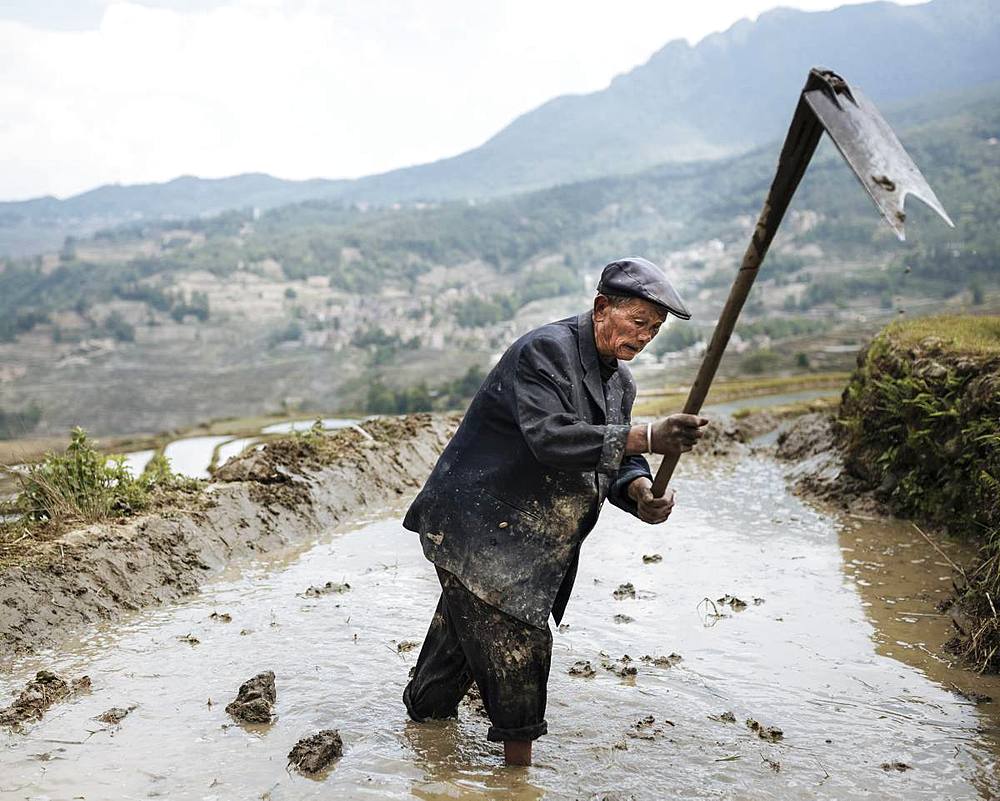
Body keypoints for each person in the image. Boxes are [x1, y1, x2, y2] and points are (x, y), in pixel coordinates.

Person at [402, 257, 708, 766]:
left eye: (654, 329)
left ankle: (421, 739)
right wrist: (651, 435)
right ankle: (519, 779)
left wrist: (639, 492)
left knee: (453, 660)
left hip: (531, 542)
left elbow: (615, 459)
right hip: (483, 529)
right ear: (601, 307)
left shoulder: (620, 384)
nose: (646, 336)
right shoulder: (545, 351)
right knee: (520, 649)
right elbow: (551, 438)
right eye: (638, 322)